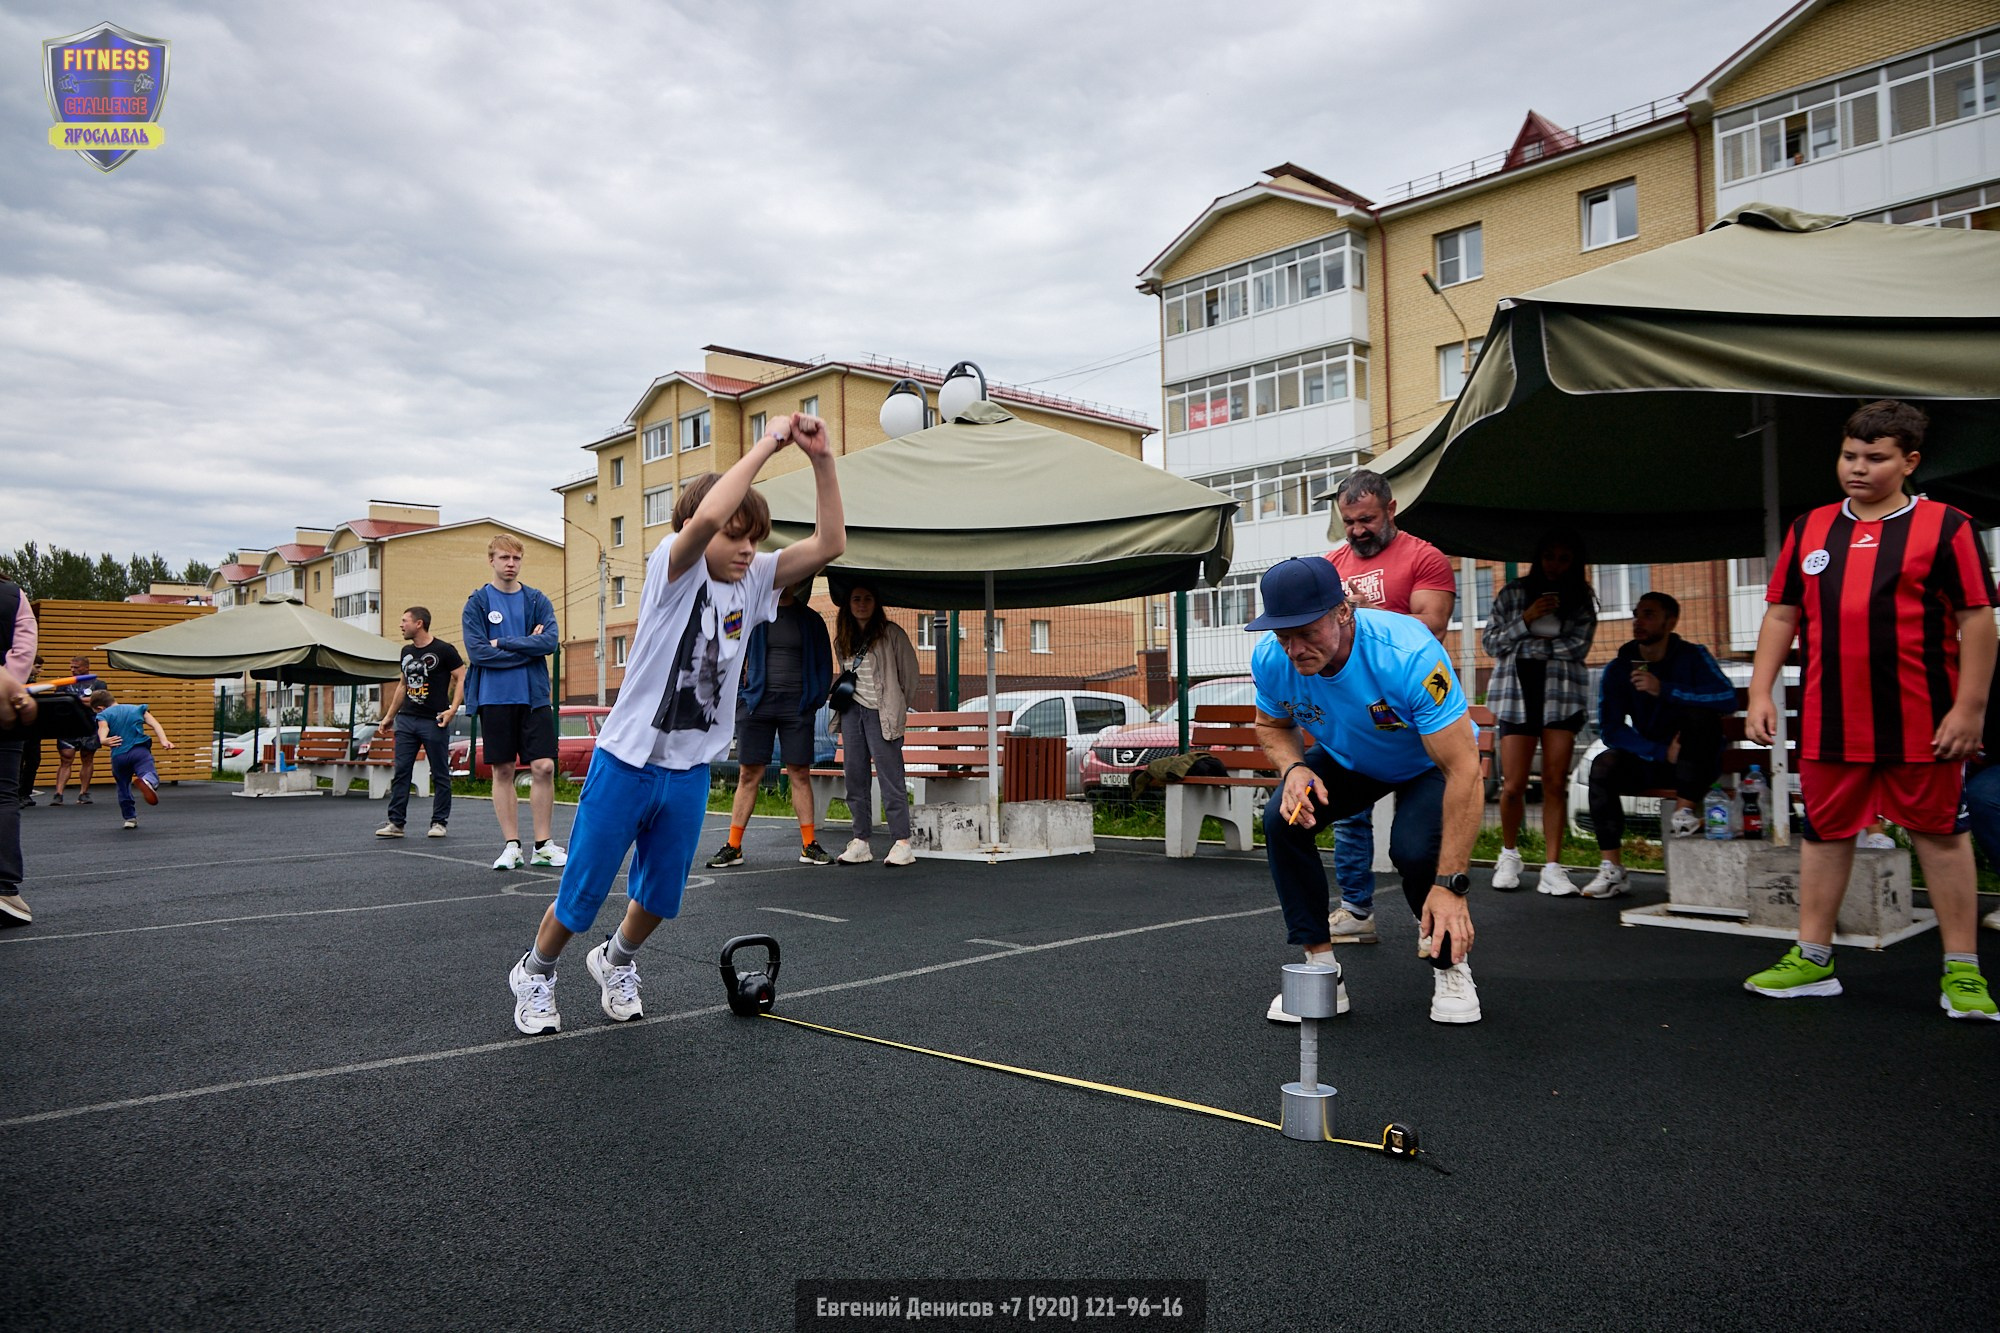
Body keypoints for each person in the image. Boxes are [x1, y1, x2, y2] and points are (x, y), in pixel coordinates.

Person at [505, 413, 843, 1034]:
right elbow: (710, 518)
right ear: (697, 530)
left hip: (686, 769)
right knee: (580, 896)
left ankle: (616, 962)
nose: (747, 548)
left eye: (756, 538)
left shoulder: (757, 580)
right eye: (737, 536)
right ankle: (536, 971)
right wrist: (770, 441)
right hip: (627, 762)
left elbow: (828, 546)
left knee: (660, 897)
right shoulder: (673, 570)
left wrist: (821, 459)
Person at [1745, 400, 1997, 1019]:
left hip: (1924, 720)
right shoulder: (1810, 529)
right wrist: (1759, 691)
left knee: (1941, 836)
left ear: (1909, 462)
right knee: (1826, 836)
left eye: (1875, 458)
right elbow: (1782, 612)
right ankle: (1813, 958)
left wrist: (1970, 708)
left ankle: (1961, 970)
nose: (1858, 468)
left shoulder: (1948, 526)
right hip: (1832, 722)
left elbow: (1978, 619)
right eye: (1849, 456)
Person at [1249, 557, 1485, 1025]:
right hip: (1349, 758)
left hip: (1425, 762)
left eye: (1306, 632)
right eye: (1284, 636)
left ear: (1343, 612)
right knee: (1282, 819)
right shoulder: (1273, 659)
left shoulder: (1408, 654)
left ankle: (1451, 967)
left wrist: (1452, 885)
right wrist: (1294, 767)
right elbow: (1271, 725)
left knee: (1415, 854)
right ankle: (1319, 970)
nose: (1295, 649)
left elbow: (1464, 769)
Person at [1322, 469, 1457, 944]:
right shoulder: (1331, 564)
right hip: (1355, 710)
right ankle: (1357, 911)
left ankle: (1435, 926)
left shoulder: (1426, 557)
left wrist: (1362, 612)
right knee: (1347, 818)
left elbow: (1431, 627)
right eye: (1349, 521)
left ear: (1391, 509)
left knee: (1415, 845)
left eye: (1367, 519)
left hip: (1417, 711)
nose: (1357, 530)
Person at [1577, 591, 1736, 899]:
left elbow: (1726, 698)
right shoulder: (1620, 668)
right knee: (1603, 764)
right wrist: (1659, 751)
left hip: (1697, 763)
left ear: (1671, 621)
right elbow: (1611, 728)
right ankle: (1612, 869)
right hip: (1653, 760)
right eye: (1637, 614)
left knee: (1699, 717)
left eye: (1649, 614)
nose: (1639, 621)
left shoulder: (1693, 656)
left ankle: (1684, 814)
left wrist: (1665, 690)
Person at [1484, 531, 1597, 896]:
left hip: (1561, 696)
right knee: (1513, 785)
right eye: (1550, 556)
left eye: (1564, 558)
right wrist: (1526, 620)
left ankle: (1552, 867)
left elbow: (1577, 646)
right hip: (1515, 695)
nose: (1555, 564)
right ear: (1539, 557)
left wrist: (1525, 643)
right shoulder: (1514, 593)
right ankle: (1509, 854)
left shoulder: (1580, 599)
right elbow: (1491, 643)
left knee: (1553, 783)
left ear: (1574, 563)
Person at [708, 578, 834, 868]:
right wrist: (741, 697)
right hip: (756, 705)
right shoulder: (749, 616)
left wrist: (812, 699)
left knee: (799, 772)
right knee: (748, 774)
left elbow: (824, 664)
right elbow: (726, 649)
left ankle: (809, 845)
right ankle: (733, 846)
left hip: (797, 706)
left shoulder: (811, 620)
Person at [462, 535, 563, 870]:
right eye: (504, 557)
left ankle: (544, 845)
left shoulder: (536, 600)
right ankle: (512, 846)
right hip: (495, 698)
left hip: (533, 698)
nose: (510, 564)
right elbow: (478, 653)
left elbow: (549, 641)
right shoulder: (477, 603)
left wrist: (504, 643)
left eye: (516, 558)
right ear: (491, 560)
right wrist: (526, 648)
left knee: (543, 767)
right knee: (503, 770)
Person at [832, 579, 922, 868]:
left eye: (867, 599)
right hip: (852, 713)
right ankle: (860, 840)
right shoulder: (842, 638)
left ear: (876, 603)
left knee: (890, 777)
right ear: (848, 603)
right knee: (854, 777)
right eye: (856, 598)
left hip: (881, 714)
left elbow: (910, 676)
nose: (861, 604)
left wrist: (896, 706)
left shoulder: (891, 634)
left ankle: (902, 842)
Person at [375, 606, 465, 840]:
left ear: (419, 624)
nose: (401, 625)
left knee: (440, 773)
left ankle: (439, 823)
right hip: (406, 720)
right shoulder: (406, 651)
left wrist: (452, 709)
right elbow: (403, 685)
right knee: (402, 770)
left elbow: (462, 676)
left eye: (405, 621)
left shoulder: (444, 650)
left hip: (434, 720)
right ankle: (396, 823)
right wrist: (389, 716)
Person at [0, 579, 36, 927]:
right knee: (2, 795)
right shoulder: (13, 596)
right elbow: (23, 653)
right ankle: (4, 889)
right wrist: (10, 684)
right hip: (5, 712)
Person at [91, 688, 175, 830]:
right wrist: (164, 740)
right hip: (139, 751)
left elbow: (103, 728)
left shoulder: (104, 714)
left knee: (123, 786)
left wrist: (103, 740)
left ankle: (130, 818)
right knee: (148, 771)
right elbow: (155, 724)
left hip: (119, 755)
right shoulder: (137, 709)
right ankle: (148, 781)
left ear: (100, 708)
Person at [49, 653, 100, 806]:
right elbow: (58, 702)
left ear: (86, 667)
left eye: (76, 667)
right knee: (66, 758)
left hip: (89, 725)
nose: (73, 670)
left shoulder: (98, 684)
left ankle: (84, 793)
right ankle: (58, 793)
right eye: (71, 667)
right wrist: (78, 701)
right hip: (68, 725)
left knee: (87, 757)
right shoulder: (63, 684)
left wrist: (71, 699)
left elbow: (96, 702)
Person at [19, 656, 44, 806]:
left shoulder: (33, 684)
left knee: (33, 760)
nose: (40, 670)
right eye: (38, 667)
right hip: (19, 728)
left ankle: (25, 793)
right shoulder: (16, 682)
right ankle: (16, 795)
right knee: (19, 761)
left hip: (34, 729)